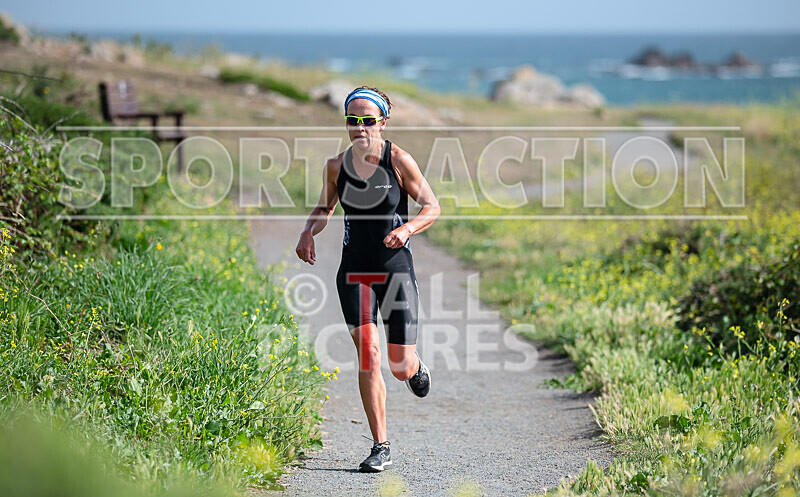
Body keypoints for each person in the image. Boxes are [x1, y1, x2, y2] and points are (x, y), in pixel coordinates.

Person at [295, 86, 441, 472]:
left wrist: (407, 230)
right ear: (346, 123)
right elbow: (325, 206)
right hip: (354, 270)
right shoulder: (335, 166)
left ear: (382, 122)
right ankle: (381, 445)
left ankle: (414, 366)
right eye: (352, 120)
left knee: (397, 364)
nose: (360, 128)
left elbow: (432, 206)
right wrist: (309, 230)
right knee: (368, 354)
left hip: (394, 268)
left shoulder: (398, 160)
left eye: (368, 121)